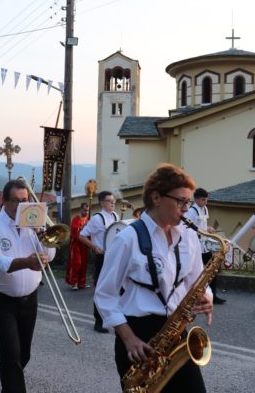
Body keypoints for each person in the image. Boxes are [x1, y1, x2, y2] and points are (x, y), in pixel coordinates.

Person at [95, 164, 213, 392]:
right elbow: (105, 295)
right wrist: (129, 339)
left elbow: (198, 280)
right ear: (156, 197)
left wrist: (206, 296)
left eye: (188, 202)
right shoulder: (127, 239)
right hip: (139, 337)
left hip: (176, 333)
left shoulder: (188, 236)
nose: (186, 209)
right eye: (181, 201)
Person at [0, 179, 55, 393]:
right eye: (16, 201)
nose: (21, 206)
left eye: (25, 200)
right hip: (1, 300)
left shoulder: (34, 222)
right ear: (4, 201)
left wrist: (41, 235)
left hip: (29, 299)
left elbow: (50, 256)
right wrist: (25, 262)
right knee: (11, 354)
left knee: (23, 354)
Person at [79, 190, 119, 333]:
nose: (113, 203)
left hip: (114, 257)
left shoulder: (115, 216)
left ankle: (115, 320)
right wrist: (95, 247)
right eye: (109, 201)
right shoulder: (97, 219)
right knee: (101, 290)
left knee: (115, 289)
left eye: (114, 201)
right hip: (102, 258)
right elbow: (82, 235)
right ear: (102, 203)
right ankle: (98, 322)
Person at [185, 187, 226, 304]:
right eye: (203, 199)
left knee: (212, 270)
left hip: (205, 245)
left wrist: (207, 229)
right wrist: (204, 230)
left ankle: (213, 296)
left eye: (206, 199)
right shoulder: (191, 212)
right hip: (195, 246)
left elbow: (202, 225)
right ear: (196, 199)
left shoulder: (204, 209)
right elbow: (188, 230)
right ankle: (191, 296)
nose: (205, 202)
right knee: (194, 273)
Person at [66, 202, 90, 290]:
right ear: (81, 210)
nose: (86, 212)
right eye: (85, 210)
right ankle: (74, 283)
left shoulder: (89, 219)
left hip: (84, 244)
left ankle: (82, 283)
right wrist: (83, 226)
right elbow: (74, 231)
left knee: (83, 264)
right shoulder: (75, 219)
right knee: (77, 263)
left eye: (87, 210)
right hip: (76, 244)